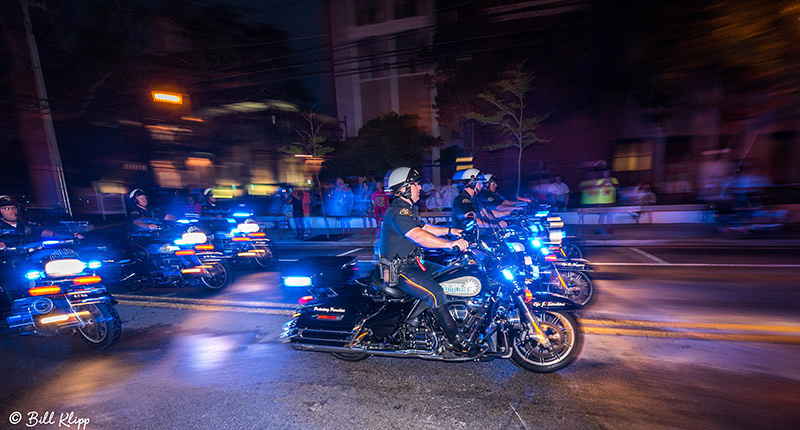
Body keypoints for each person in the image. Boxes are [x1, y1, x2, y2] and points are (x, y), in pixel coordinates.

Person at [378, 167, 479, 356]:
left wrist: (451, 231)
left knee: (451, 273)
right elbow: (419, 236)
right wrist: (450, 244)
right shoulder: (398, 212)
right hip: (399, 269)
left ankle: (431, 318)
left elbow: (425, 227)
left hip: (414, 264)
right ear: (404, 189)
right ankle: (456, 342)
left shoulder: (407, 210)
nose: (419, 188)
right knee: (436, 293)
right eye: (415, 184)